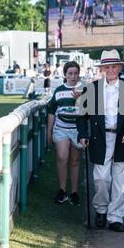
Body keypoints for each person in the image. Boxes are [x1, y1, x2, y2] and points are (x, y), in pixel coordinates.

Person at [76, 50, 124, 232]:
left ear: (120, 67)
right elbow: (81, 117)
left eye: (115, 66)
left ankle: (115, 217)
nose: (111, 69)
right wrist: (82, 134)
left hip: (123, 138)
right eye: (108, 67)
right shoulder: (92, 88)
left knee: (119, 181)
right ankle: (101, 209)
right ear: (103, 69)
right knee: (101, 178)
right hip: (100, 138)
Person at [47, 61, 84, 206]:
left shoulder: (85, 89)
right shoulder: (59, 91)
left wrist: (80, 99)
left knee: (75, 161)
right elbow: (51, 112)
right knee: (62, 157)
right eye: (70, 73)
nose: (73, 76)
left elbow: (90, 110)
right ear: (65, 75)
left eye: (76, 73)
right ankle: (62, 191)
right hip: (61, 128)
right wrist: (49, 131)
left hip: (77, 129)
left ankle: (74, 192)